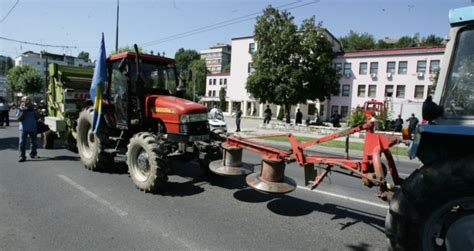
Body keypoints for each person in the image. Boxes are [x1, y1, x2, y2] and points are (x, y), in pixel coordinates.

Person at [17, 96, 40, 162]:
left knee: (34, 142)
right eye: (26, 100)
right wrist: (24, 111)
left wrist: (36, 110)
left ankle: (33, 154)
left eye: (28, 100)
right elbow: (19, 119)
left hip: (33, 127)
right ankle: (22, 156)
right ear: (22, 101)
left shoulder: (33, 108)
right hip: (23, 128)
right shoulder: (20, 108)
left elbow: (38, 117)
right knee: (22, 143)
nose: (28, 101)